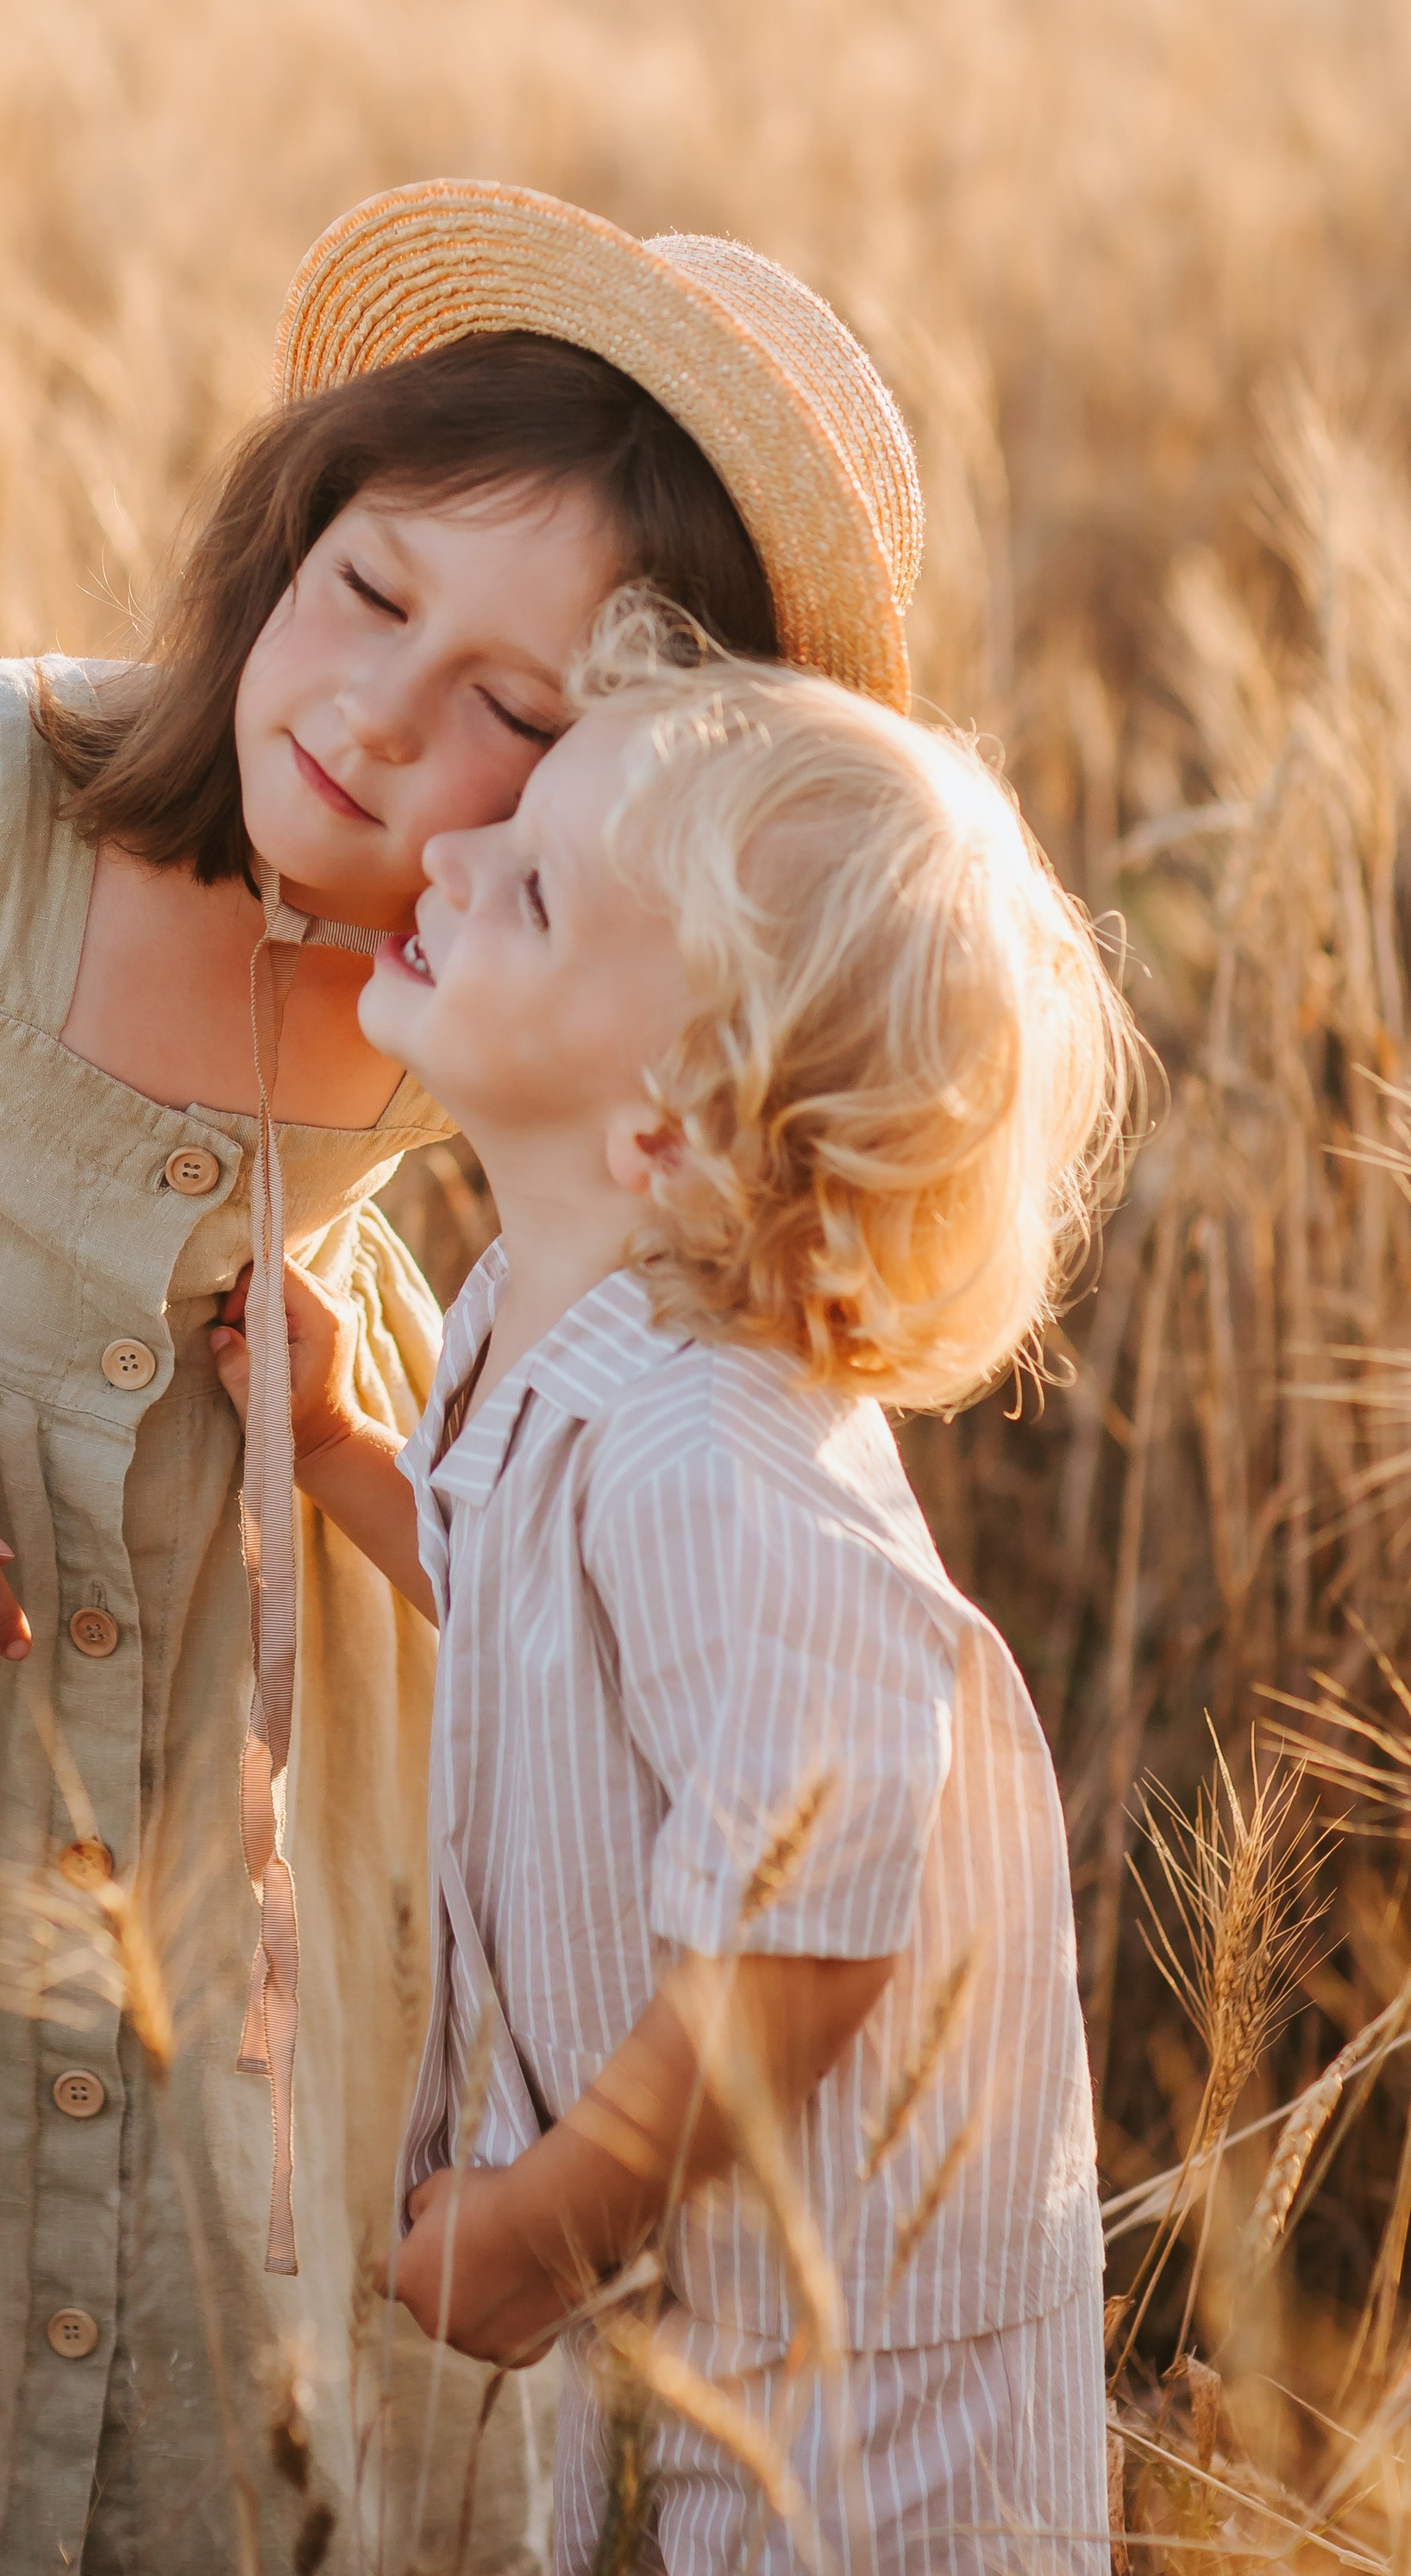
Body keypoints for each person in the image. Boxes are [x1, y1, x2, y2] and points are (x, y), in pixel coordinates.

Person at [0, 178, 924, 2576]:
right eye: (370, 596)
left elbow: (677, 1352)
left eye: (520, 713)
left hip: (259, 1755)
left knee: (229, 2326)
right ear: (284, 537)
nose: (381, 718)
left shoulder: (477, 966)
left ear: (616, 801)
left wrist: (404, 1485)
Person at [223, 624, 1134, 2571]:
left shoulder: (720, 1457)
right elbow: (531, 1626)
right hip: (690, 2321)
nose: (449, 856)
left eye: (532, 884)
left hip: (868, 2407)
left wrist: (559, 2208)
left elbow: (803, 1930)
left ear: (671, 1116)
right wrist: (334, 1447)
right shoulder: (542, 1330)